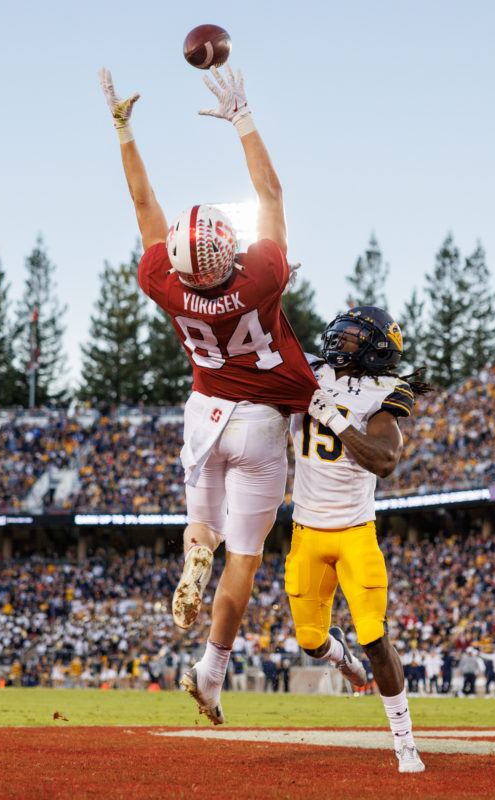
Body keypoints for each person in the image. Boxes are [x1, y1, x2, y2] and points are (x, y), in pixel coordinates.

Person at [99, 64, 317, 725]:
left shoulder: (166, 281)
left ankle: (197, 546)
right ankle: (212, 672)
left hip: (204, 412)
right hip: (259, 421)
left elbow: (144, 209)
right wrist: (242, 116)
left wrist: (123, 129)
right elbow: (272, 191)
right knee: (244, 559)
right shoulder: (260, 278)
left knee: (206, 529)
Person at [285, 305, 433, 772]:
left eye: (351, 337)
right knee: (310, 640)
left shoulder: (386, 392)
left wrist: (335, 419)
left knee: (374, 634)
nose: (339, 341)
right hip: (306, 532)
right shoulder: (307, 370)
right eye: (339, 333)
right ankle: (340, 656)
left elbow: (385, 461)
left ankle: (404, 741)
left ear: (374, 348)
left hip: (354, 532)